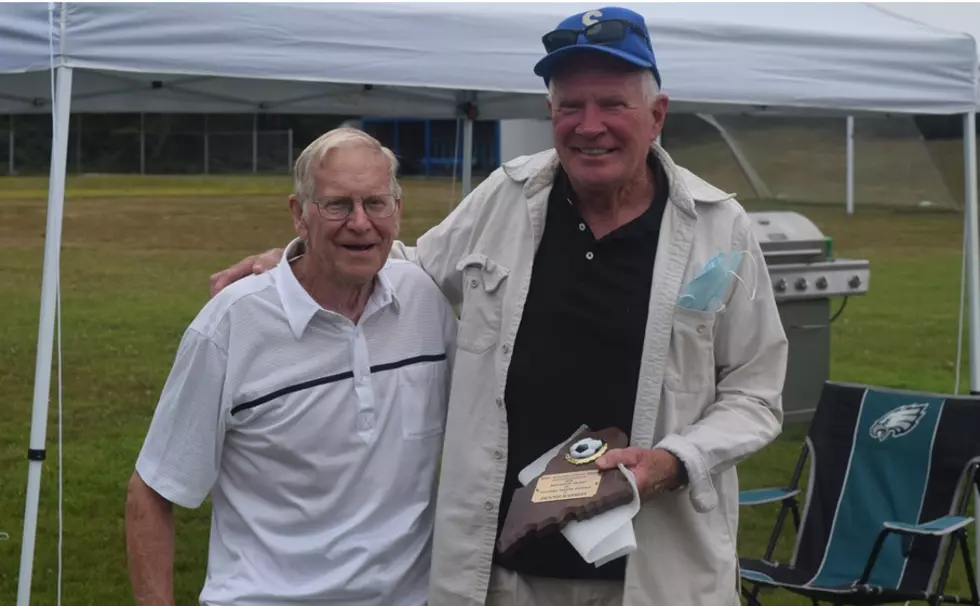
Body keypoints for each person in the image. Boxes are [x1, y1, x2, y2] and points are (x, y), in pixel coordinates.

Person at [209, 6, 788, 606]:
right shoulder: (508, 197)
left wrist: (675, 460)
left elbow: (755, 393)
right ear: (550, 114)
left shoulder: (720, 227)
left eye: (613, 103)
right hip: (510, 572)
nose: (590, 125)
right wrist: (312, 256)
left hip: (655, 572)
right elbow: (413, 268)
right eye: (571, 106)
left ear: (656, 115)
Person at [125, 127, 457, 606]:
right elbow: (153, 491)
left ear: (398, 212)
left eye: (376, 203)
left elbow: (490, 419)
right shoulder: (232, 323)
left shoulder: (424, 302)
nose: (361, 222)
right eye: (338, 205)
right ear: (299, 215)